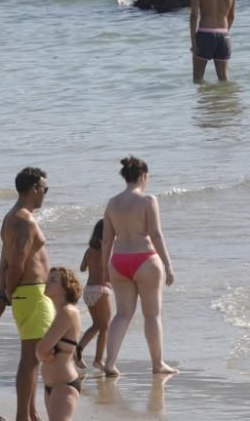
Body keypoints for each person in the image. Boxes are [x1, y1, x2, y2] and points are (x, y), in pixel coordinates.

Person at [101, 156, 177, 377]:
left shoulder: (112, 203)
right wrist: (168, 264)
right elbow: (155, 234)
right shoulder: (148, 200)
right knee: (152, 315)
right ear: (143, 176)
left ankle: (110, 362)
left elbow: (106, 240)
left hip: (119, 260)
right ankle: (157, 364)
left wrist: (106, 266)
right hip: (145, 259)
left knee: (122, 314)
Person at [0, 167, 53, 421]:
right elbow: (17, 263)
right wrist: (8, 292)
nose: (45, 194)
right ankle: (23, 416)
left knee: (33, 358)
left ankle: (30, 412)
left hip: (28, 294)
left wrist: (5, 291)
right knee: (31, 359)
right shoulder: (24, 219)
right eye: (45, 189)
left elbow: (4, 261)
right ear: (34, 189)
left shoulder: (11, 217)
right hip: (31, 293)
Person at [36, 268, 84, 421]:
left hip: (63, 385)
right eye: (48, 279)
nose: (46, 282)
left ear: (66, 287)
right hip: (53, 385)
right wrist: (43, 354)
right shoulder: (60, 312)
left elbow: (41, 349)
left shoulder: (67, 312)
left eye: (53, 280)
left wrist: (42, 355)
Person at [190, 0, 236, 82]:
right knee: (224, 79)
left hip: (205, 34)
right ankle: (223, 103)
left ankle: (204, 103)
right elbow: (232, 16)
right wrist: (223, 34)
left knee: (198, 79)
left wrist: (193, 40)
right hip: (224, 35)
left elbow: (194, 16)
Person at [76, 219, 111, 370]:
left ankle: (77, 350)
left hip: (88, 291)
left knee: (96, 325)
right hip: (101, 291)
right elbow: (108, 273)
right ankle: (98, 360)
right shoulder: (107, 250)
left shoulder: (89, 250)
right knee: (105, 327)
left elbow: (82, 268)